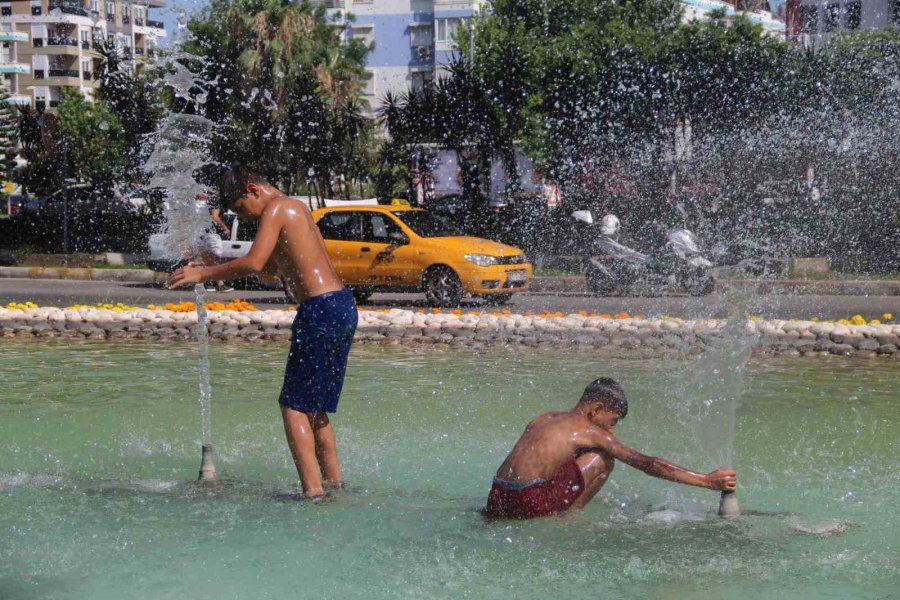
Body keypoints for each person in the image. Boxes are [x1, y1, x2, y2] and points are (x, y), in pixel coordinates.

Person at [169, 168, 358, 499]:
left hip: (319, 309)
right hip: (341, 305)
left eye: (241, 208)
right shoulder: (295, 208)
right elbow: (270, 268)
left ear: (252, 189)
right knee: (316, 406)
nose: (245, 216)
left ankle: (313, 493)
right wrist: (220, 260)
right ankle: (334, 483)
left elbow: (255, 263)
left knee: (294, 406)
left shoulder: (276, 208)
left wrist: (202, 273)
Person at [484, 378, 737, 520]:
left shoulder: (545, 418)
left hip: (497, 498)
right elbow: (648, 464)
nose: (612, 430)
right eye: (613, 420)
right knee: (603, 459)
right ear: (595, 410)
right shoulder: (589, 431)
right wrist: (705, 480)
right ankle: (566, 517)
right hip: (528, 503)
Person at [202, 190, 234, 293]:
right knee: (217, 258)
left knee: (210, 258)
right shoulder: (216, 199)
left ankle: (208, 283)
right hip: (213, 233)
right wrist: (225, 228)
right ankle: (220, 285)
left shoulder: (212, 199)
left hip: (206, 232)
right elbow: (214, 217)